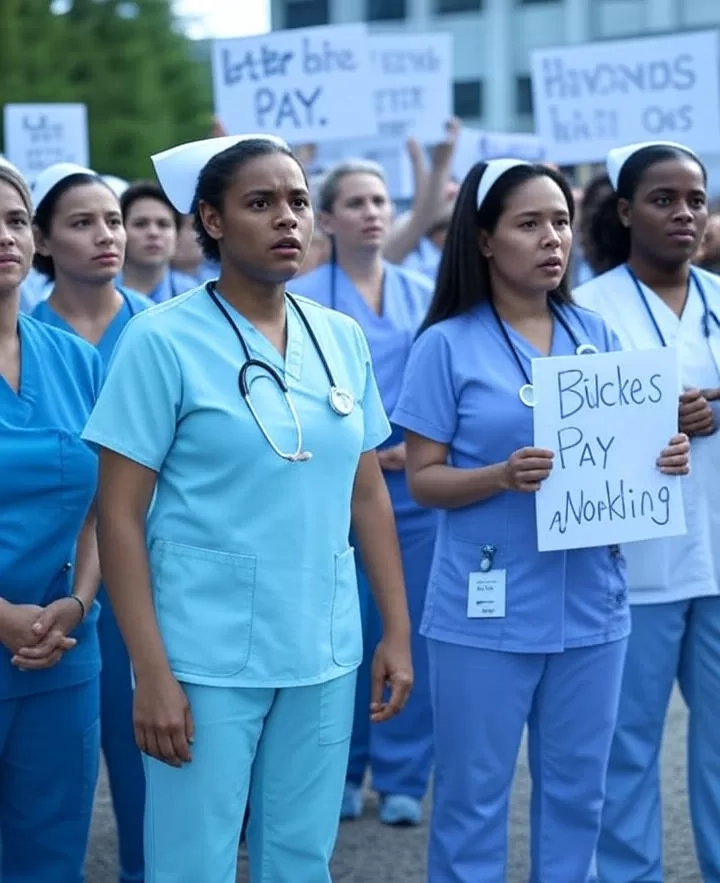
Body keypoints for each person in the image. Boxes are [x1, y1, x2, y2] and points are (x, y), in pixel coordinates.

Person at [81, 133, 414, 883]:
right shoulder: (159, 339)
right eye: (260, 203)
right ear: (213, 220)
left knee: (299, 858)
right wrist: (152, 671)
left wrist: (394, 628)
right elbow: (120, 516)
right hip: (202, 653)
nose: (287, 218)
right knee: (191, 861)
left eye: (297, 201)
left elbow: (367, 493)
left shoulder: (341, 338)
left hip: (321, 644)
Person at [391, 158, 691, 883]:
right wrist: (499, 475)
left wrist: (663, 455)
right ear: (486, 239)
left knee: (578, 795)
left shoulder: (599, 335)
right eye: (530, 223)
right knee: (472, 798)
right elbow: (423, 478)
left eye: (560, 221)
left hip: (593, 605)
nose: (552, 238)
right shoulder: (445, 344)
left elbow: (625, 454)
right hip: (485, 609)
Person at [574, 140, 720, 883]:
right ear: (626, 211)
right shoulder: (585, 312)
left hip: (719, 556)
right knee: (626, 741)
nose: (685, 213)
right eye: (664, 199)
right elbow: (573, 439)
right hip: (635, 559)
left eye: (695, 198)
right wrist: (652, 420)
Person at [290, 159, 437, 827]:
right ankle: (344, 770)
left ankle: (404, 774)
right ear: (327, 218)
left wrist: (421, 447)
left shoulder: (423, 288)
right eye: (354, 202)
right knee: (342, 628)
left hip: (418, 485)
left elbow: (442, 381)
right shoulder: (303, 296)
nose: (372, 212)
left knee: (413, 633)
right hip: (336, 488)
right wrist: (364, 453)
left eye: (380, 199)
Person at [30, 161, 152, 883]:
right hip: (55, 582)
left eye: (112, 219)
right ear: (42, 239)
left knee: (152, 757)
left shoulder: (162, 326)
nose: (107, 235)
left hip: (154, 571)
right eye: (82, 222)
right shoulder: (25, 334)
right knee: (48, 778)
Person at [0, 159, 103, 881]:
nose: (3, 237)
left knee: (51, 852)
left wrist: (78, 600)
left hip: (63, 645)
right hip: (13, 626)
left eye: (11, 220)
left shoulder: (77, 360)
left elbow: (109, 505)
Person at [117, 180, 196, 302]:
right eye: (140, 224)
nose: (153, 233)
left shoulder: (193, 297)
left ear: (177, 235)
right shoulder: (98, 291)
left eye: (163, 224)